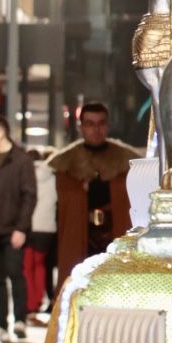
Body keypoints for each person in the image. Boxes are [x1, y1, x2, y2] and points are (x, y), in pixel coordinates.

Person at [51, 101, 132, 285]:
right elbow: (65, 198)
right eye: (90, 124)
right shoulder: (67, 161)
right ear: (81, 127)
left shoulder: (125, 159)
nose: (96, 129)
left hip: (114, 233)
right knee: (80, 281)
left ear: (108, 125)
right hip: (81, 233)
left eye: (101, 123)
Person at [0, 114, 35, 341]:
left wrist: (21, 228)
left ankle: (20, 320)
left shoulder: (20, 160)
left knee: (15, 274)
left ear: (1, 132)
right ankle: (1, 324)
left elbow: (29, 196)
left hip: (12, 228)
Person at [24, 148, 56, 320]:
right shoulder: (52, 176)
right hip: (47, 228)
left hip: (29, 227)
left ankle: (30, 303)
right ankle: (39, 300)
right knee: (40, 265)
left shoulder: (25, 175)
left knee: (27, 266)